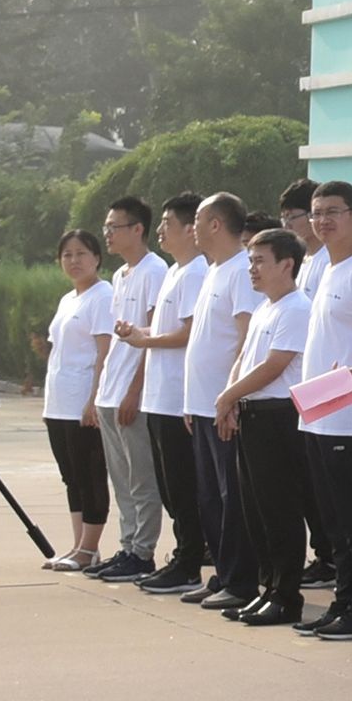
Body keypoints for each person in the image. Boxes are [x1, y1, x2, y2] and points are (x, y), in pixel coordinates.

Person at [294, 181, 352, 641]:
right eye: (317, 213)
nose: (323, 221)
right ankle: (343, 601)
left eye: (333, 211)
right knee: (332, 519)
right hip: (319, 409)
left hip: (350, 415)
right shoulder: (325, 267)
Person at [215, 228, 312, 627]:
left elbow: (274, 365)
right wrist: (231, 398)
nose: (252, 269)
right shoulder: (264, 309)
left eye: (260, 261)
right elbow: (244, 359)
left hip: (279, 416)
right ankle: (267, 588)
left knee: (279, 509)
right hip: (253, 413)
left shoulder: (296, 308)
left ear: (287, 264)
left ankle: (286, 596)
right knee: (255, 509)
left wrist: (228, 397)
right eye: (251, 261)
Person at [116, 193, 211, 595]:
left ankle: (189, 562)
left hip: (177, 397)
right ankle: (185, 555)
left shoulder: (196, 273)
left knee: (185, 487)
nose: (160, 231)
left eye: (168, 223)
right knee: (171, 487)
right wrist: (139, 333)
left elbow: (189, 333)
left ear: (190, 229)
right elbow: (165, 328)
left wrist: (146, 341)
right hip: (159, 396)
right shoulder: (175, 271)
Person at [180, 193, 259, 611]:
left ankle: (241, 581)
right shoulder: (214, 270)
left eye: (197, 219)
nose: (191, 227)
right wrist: (191, 402)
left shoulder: (242, 271)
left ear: (215, 224)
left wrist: (232, 396)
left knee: (232, 497)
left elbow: (246, 339)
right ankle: (223, 575)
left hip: (226, 406)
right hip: (202, 405)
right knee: (209, 496)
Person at [90, 197, 167, 584]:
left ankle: (143, 552)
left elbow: (152, 336)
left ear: (137, 229)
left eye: (114, 227)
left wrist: (135, 390)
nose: (107, 234)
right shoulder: (120, 275)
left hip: (132, 393)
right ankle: (127, 546)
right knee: (120, 479)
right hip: (110, 390)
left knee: (141, 478)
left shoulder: (155, 271)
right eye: (106, 227)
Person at [38, 230, 115, 571]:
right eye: (67, 254)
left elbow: (104, 353)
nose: (74, 260)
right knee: (71, 476)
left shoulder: (103, 296)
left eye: (81, 253)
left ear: (97, 258)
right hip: (59, 402)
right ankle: (78, 546)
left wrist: (94, 399)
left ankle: (90, 547)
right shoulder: (68, 299)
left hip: (83, 401)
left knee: (90, 474)